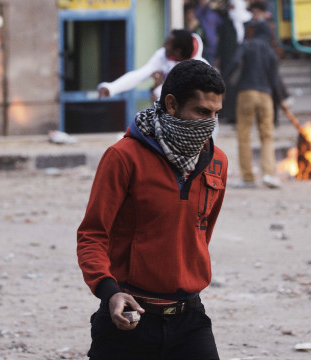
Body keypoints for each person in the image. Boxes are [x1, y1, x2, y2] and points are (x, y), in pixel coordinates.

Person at [78, 59, 227, 360]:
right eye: (201, 112)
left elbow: (200, 234)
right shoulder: (123, 157)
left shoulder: (218, 162)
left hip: (190, 321)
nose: (209, 124)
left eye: (215, 114)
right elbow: (92, 236)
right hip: (128, 317)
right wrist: (110, 293)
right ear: (171, 105)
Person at [224, 21, 287, 189]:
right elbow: (275, 81)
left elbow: (235, 62)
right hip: (266, 96)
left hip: (246, 93)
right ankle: (268, 174)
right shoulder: (272, 52)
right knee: (267, 136)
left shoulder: (247, 45)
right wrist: (281, 101)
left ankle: (248, 178)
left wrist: (223, 82)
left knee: (244, 136)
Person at [97, 29, 206, 101]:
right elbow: (140, 75)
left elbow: (181, 95)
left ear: (177, 52)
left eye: (168, 43)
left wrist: (158, 90)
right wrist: (112, 88)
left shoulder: (199, 68)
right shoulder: (163, 55)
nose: (163, 45)